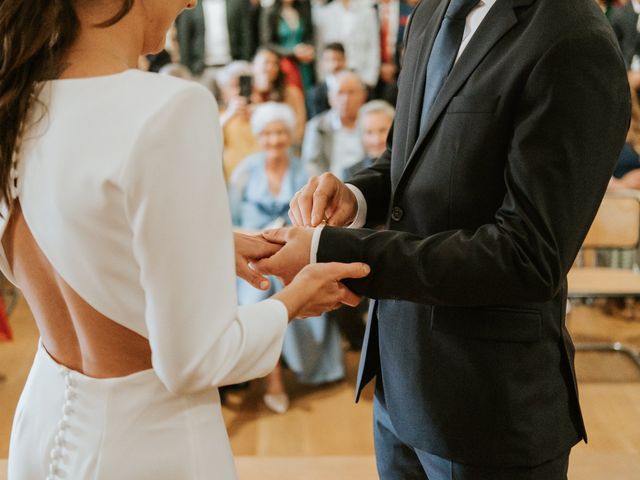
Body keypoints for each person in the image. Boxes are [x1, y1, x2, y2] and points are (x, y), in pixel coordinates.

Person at [255, 0, 631, 478]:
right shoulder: (433, 11)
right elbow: (404, 157)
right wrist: (355, 197)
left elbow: (527, 256)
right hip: (398, 379)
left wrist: (328, 250)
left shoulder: (572, 38)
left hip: (484, 404)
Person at [0, 1, 369, 479]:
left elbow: (67, 242)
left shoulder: (14, 97)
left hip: (41, 423)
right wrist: (296, 298)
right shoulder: (171, 107)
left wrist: (202, 244)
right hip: (146, 445)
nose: (192, 2)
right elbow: (195, 361)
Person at [229, 102, 345, 413]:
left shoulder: (304, 171)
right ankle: (273, 380)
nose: (275, 140)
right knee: (259, 290)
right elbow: (230, 218)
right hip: (251, 253)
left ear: (290, 135)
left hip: (293, 251)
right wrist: (256, 239)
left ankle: (300, 366)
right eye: (267, 134)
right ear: (258, 136)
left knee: (289, 286)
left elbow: (312, 220)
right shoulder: (243, 172)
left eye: (280, 133)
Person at [301, 70, 368, 179]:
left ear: (363, 96)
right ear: (330, 97)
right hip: (330, 188)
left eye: (351, 92)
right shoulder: (317, 126)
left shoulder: (371, 122)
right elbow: (310, 164)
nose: (345, 99)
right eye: (340, 93)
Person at [175, 0, 257, 76]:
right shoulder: (191, 5)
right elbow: (185, 40)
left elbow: (246, 34)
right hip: (201, 69)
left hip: (232, 66)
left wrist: (245, 61)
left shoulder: (237, 3)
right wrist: (186, 70)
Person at [313, 0, 380, 88]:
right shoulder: (324, 13)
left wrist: (370, 78)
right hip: (332, 79)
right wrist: (322, 78)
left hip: (362, 77)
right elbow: (320, 49)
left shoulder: (368, 12)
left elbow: (373, 47)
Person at [252, 45, 307, 144]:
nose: (270, 68)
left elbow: (300, 130)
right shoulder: (245, 95)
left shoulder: (292, 94)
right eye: (266, 62)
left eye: (275, 64)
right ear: (254, 65)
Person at [260, 0, 316, 94]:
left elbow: (309, 35)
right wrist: (292, 52)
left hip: (304, 63)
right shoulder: (270, 12)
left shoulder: (302, 9)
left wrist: (308, 49)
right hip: (284, 63)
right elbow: (267, 43)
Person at [216, 61, 261, 179]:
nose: (237, 91)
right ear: (223, 91)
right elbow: (209, 140)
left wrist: (259, 113)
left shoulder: (263, 111)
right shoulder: (220, 115)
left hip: (261, 178)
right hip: (232, 180)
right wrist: (230, 114)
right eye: (233, 86)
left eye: (241, 85)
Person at [372, 0, 414, 106]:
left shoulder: (409, 11)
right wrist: (378, 65)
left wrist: (395, 65)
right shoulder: (370, 10)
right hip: (373, 72)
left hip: (399, 70)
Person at [307, 42, 348, 119]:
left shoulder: (358, 88)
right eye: (329, 60)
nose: (335, 65)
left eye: (338, 59)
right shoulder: (316, 93)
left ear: (345, 60)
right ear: (323, 63)